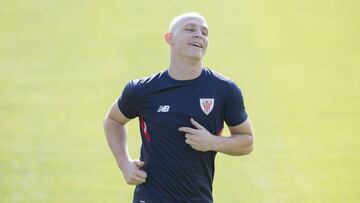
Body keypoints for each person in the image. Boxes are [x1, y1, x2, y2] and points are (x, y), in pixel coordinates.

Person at [103, 12, 254, 203]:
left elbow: (247, 140)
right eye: (190, 29)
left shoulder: (224, 90)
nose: (199, 34)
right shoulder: (143, 90)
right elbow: (113, 120)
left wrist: (213, 142)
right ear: (169, 38)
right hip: (150, 198)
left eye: (204, 32)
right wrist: (124, 164)